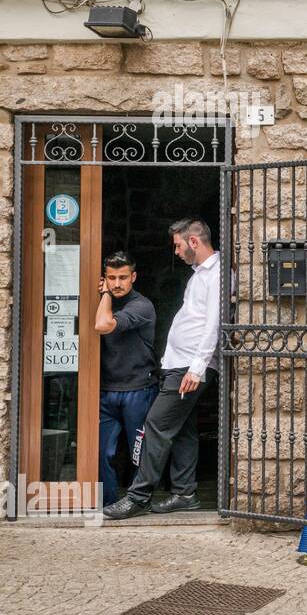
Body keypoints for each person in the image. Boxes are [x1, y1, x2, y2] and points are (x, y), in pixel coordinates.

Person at [104, 219, 220, 520]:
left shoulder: (216, 273)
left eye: (178, 245)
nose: (177, 252)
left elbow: (213, 325)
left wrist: (196, 369)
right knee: (182, 430)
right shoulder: (200, 275)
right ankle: (185, 493)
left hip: (189, 367)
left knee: (155, 425)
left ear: (193, 242)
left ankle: (138, 496)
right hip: (179, 365)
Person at [93, 251, 158, 507]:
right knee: (101, 453)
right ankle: (107, 503)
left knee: (137, 453)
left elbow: (103, 325)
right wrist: (104, 297)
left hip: (138, 389)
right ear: (105, 278)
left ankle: (137, 502)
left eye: (122, 277)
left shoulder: (142, 305)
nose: (117, 283)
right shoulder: (100, 302)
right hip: (106, 390)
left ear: (133, 277)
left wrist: (106, 294)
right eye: (111, 278)